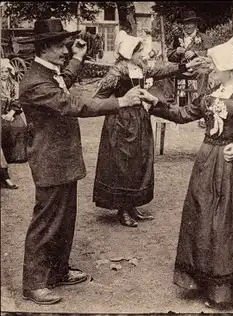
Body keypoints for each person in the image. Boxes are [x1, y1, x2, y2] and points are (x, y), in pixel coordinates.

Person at [17, 18, 144, 305]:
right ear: (46, 47)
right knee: (46, 222)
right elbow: (73, 105)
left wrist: (78, 56)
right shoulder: (35, 82)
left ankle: (58, 271)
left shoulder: (48, 72)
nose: (66, 51)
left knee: (64, 221)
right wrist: (120, 103)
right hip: (50, 162)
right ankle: (34, 283)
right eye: (62, 46)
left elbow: (67, 81)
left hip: (63, 160)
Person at [145, 36, 233, 309]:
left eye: (213, 67)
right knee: (204, 217)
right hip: (206, 163)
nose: (210, 72)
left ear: (227, 69)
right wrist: (154, 103)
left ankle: (227, 290)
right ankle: (206, 281)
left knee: (227, 223)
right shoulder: (211, 95)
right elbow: (183, 113)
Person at [93, 34, 201, 227]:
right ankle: (123, 209)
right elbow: (97, 99)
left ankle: (132, 205)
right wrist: (120, 101)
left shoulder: (141, 67)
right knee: (123, 164)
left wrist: (184, 67)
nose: (142, 54)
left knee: (138, 162)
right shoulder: (117, 71)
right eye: (138, 51)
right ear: (129, 53)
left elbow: (162, 69)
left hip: (140, 119)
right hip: (120, 123)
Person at [168, 10, 212, 127]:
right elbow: (169, 55)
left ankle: (201, 108)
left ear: (196, 24)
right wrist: (176, 52)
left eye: (190, 23)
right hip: (182, 68)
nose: (187, 26)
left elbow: (210, 53)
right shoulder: (177, 38)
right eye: (185, 23)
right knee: (167, 72)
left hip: (197, 68)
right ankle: (171, 107)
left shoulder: (203, 37)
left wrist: (195, 53)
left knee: (203, 73)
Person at [1, 58, 27, 163]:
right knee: (3, 127)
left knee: (20, 126)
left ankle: (17, 157)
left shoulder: (15, 84)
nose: (4, 74)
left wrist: (11, 112)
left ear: (9, 72)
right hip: (1, 113)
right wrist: (3, 115)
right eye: (1, 72)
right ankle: (5, 157)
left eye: (6, 71)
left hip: (12, 111)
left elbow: (17, 100)